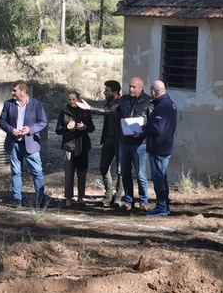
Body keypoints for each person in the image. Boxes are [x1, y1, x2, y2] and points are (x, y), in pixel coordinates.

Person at [77, 77, 153, 211]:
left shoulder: (148, 102)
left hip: (139, 143)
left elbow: (151, 124)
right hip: (124, 142)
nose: (131, 89)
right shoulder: (124, 100)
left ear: (141, 87)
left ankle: (143, 201)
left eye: (134, 87)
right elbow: (109, 110)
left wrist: (142, 134)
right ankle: (128, 201)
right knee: (125, 172)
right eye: (130, 86)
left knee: (141, 174)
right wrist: (89, 108)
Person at [0, 81, 48, 208]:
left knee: (37, 172)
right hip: (14, 144)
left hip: (31, 144)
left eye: (15, 90)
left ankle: (41, 198)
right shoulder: (8, 104)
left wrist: (30, 129)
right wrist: (11, 130)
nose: (12, 93)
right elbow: (1, 121)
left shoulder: (36, 104)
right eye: (12, 90)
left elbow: (43, 122)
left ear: (23, 91)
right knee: (16, 172)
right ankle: (17, 199)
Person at [55, 91, 95, 207]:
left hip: (82, 145)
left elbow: (92, 128)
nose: (71, 102)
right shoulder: (64, 112)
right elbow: (58, 130)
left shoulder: (85, 111)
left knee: (82, 172)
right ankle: (68, 197)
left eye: (73, 99)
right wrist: (66, 128)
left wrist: (85, 127)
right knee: (69, 173)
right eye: (69, 99)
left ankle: (81, 196)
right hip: (69, 145)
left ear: (78, 99)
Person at [145, 80, 178, 217]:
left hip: (159, 147)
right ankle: (164, 205)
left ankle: (162, 207)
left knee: (158, 177)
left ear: (153, 92)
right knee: (162, 177)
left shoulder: (162, 106)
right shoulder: (170, 103)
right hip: (166, 146)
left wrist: (143, 129)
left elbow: (157, 128)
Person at [94, 80, 124, 208]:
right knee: (103, 167)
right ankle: (108, 194)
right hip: (108, 139)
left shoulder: (122, 104)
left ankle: (118, 197)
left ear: (115, 92)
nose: (104, 92)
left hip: (120, 140)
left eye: (107, 90)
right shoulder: (108, 103)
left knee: (120, 170)